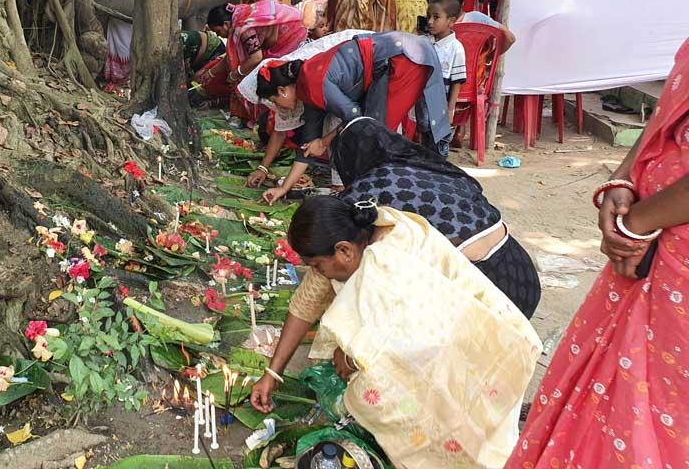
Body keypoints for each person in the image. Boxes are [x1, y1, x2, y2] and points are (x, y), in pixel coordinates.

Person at [505, 39, 689, 468]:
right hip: (645, 253)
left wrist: (634, 225)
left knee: (649, 424)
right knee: (603, 407)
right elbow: (671, 113)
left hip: (668, 268)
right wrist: (623, 178)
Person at [251, 198, 542, 469]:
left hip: (479, 344)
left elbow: (415, 339)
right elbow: (308, 301)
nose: (318, 273)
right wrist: (273, 373)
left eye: (316, 265)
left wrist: (352, 359)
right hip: (473, 340)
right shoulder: (369, 228)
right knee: (470, 431)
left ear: (343, 251)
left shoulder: (386, 266)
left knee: (468, 439)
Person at [336, 116, 540, 316]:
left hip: (486, 301)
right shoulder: (428, 166)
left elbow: (334, 232)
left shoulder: (368, 189)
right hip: (524, 279)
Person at [249, 31, 450, 203]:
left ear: (282, 90)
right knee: (371, 137)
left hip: (402, 58)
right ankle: (375, 191)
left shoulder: (314, 82)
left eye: (274, 101)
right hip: (386, 60)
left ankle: (393, 195)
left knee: (378, 134)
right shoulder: (306, 90)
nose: (277, 107)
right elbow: (307, 150)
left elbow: (356, 119)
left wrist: (324, 140)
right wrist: (284, 189)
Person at [206, 1, 308, 124]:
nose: (219, 35)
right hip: (283, 34)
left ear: (226, 24)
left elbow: (256, 58)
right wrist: (211, 73)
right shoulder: (239, 14)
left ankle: (268, 117)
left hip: (289, 36)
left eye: (218, 32)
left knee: (266, 75)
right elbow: (232, 57)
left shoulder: (243, 28)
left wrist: (236, 73)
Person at [436, 0, 516, 53]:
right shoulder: (477, 18)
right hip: (475, 67)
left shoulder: (435, 24)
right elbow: (510, 38)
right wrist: (491, 58)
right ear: (463, 1)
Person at [96, 0, 136, 90]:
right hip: (131, 15)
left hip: (115, 14)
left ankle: (114, 75)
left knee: (115, 43)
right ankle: (128, 76)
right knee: (129, 42)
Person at [427, 0, 467, 121]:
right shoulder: (424, 41)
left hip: (440, 106)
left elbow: (457, 82)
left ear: (451, 21)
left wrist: (450, 110)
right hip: (420, 103)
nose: (430, 21)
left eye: (436, 17)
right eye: (428, 16)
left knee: (437, 139)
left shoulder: (456, 48)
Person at [180, 30, 227, 102]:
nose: (217, 34)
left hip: (214, 53)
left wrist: (205, 70)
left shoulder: (183, 42)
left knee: (201, 81)